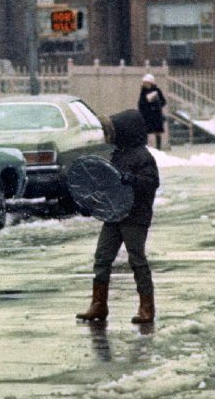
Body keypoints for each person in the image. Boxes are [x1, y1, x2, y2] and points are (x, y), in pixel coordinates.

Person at [76, 109, 160, 324]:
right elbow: (107, 186)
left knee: (136, 259)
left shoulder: (143, 156)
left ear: (127, 130)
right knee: (102, 258)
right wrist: (92, 205)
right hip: (114, 215)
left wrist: (132, 179)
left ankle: (146, 307)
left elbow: (151, 182)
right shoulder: (117, 155)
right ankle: (99, 304)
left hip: (135, 216)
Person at [137, 73, 167, 150]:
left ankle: (158, 148)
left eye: (146, 82)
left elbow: (163, 101)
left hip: (156, 115)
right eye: (144, 82)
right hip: (146, 115)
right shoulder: (143, 91)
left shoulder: (157, 91)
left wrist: (156, 105)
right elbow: (141, 103)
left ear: (151, 83)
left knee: (157, 132)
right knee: (145, 132)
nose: (145, 84)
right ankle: (146, 148)